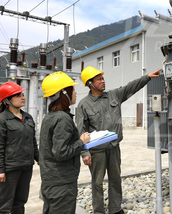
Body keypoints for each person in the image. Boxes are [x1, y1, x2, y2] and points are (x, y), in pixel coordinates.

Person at [77, 66, 161, 214]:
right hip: (97, 151)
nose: (103, 81)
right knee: (97, 182)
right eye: (99, 79)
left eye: (103, 78)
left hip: (114, 147)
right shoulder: (84, 104)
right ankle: (98, 211)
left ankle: (115, 209)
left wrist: (147, 77)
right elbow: (81, 131)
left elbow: (131, 87)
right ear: (90, 83)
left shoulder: (114, 95)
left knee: (115, 179)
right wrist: (84, 153)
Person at [39, 71, 90, 214]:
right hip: (62, 182)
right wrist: (81, 141)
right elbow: (61, 152)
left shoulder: (50, 116)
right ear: (64, 93)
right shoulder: (62, 118)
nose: (75, 92)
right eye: (72, 89)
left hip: (51, 179)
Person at [0, 81, 39, 214]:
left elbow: (32, 141)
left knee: (20, 203)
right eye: (18, 95)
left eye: (23, 94)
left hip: (26, 167)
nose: (23, 97)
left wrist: (38, 158)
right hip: (9, 169)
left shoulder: (27, 117)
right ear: (7, 100)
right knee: (3, 205)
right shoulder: (0, 120)